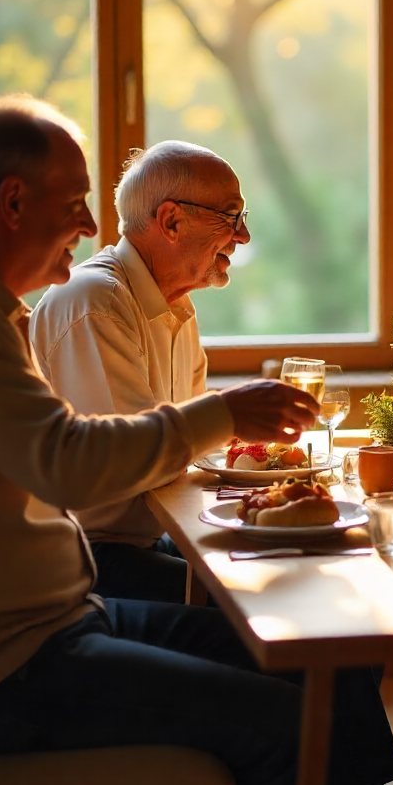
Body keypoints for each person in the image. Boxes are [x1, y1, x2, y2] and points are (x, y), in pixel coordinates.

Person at [0, 95, 393, 785]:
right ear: (11, 203)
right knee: (283, 724)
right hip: (14, 670)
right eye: (76, 205)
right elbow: (72, 466)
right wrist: (222, 414)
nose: (90, 228)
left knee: (306, 659)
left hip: (61, 622)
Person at [30, 140, 249, 602]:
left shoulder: (176, 307)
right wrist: (230, 416)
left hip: (146, 540)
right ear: (171, 221)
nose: (243, 235)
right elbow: (135, 467)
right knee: (267, 610)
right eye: (231, 217)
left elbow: (186, 453)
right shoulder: (95, 303)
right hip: (85, 562)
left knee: (294, 580)